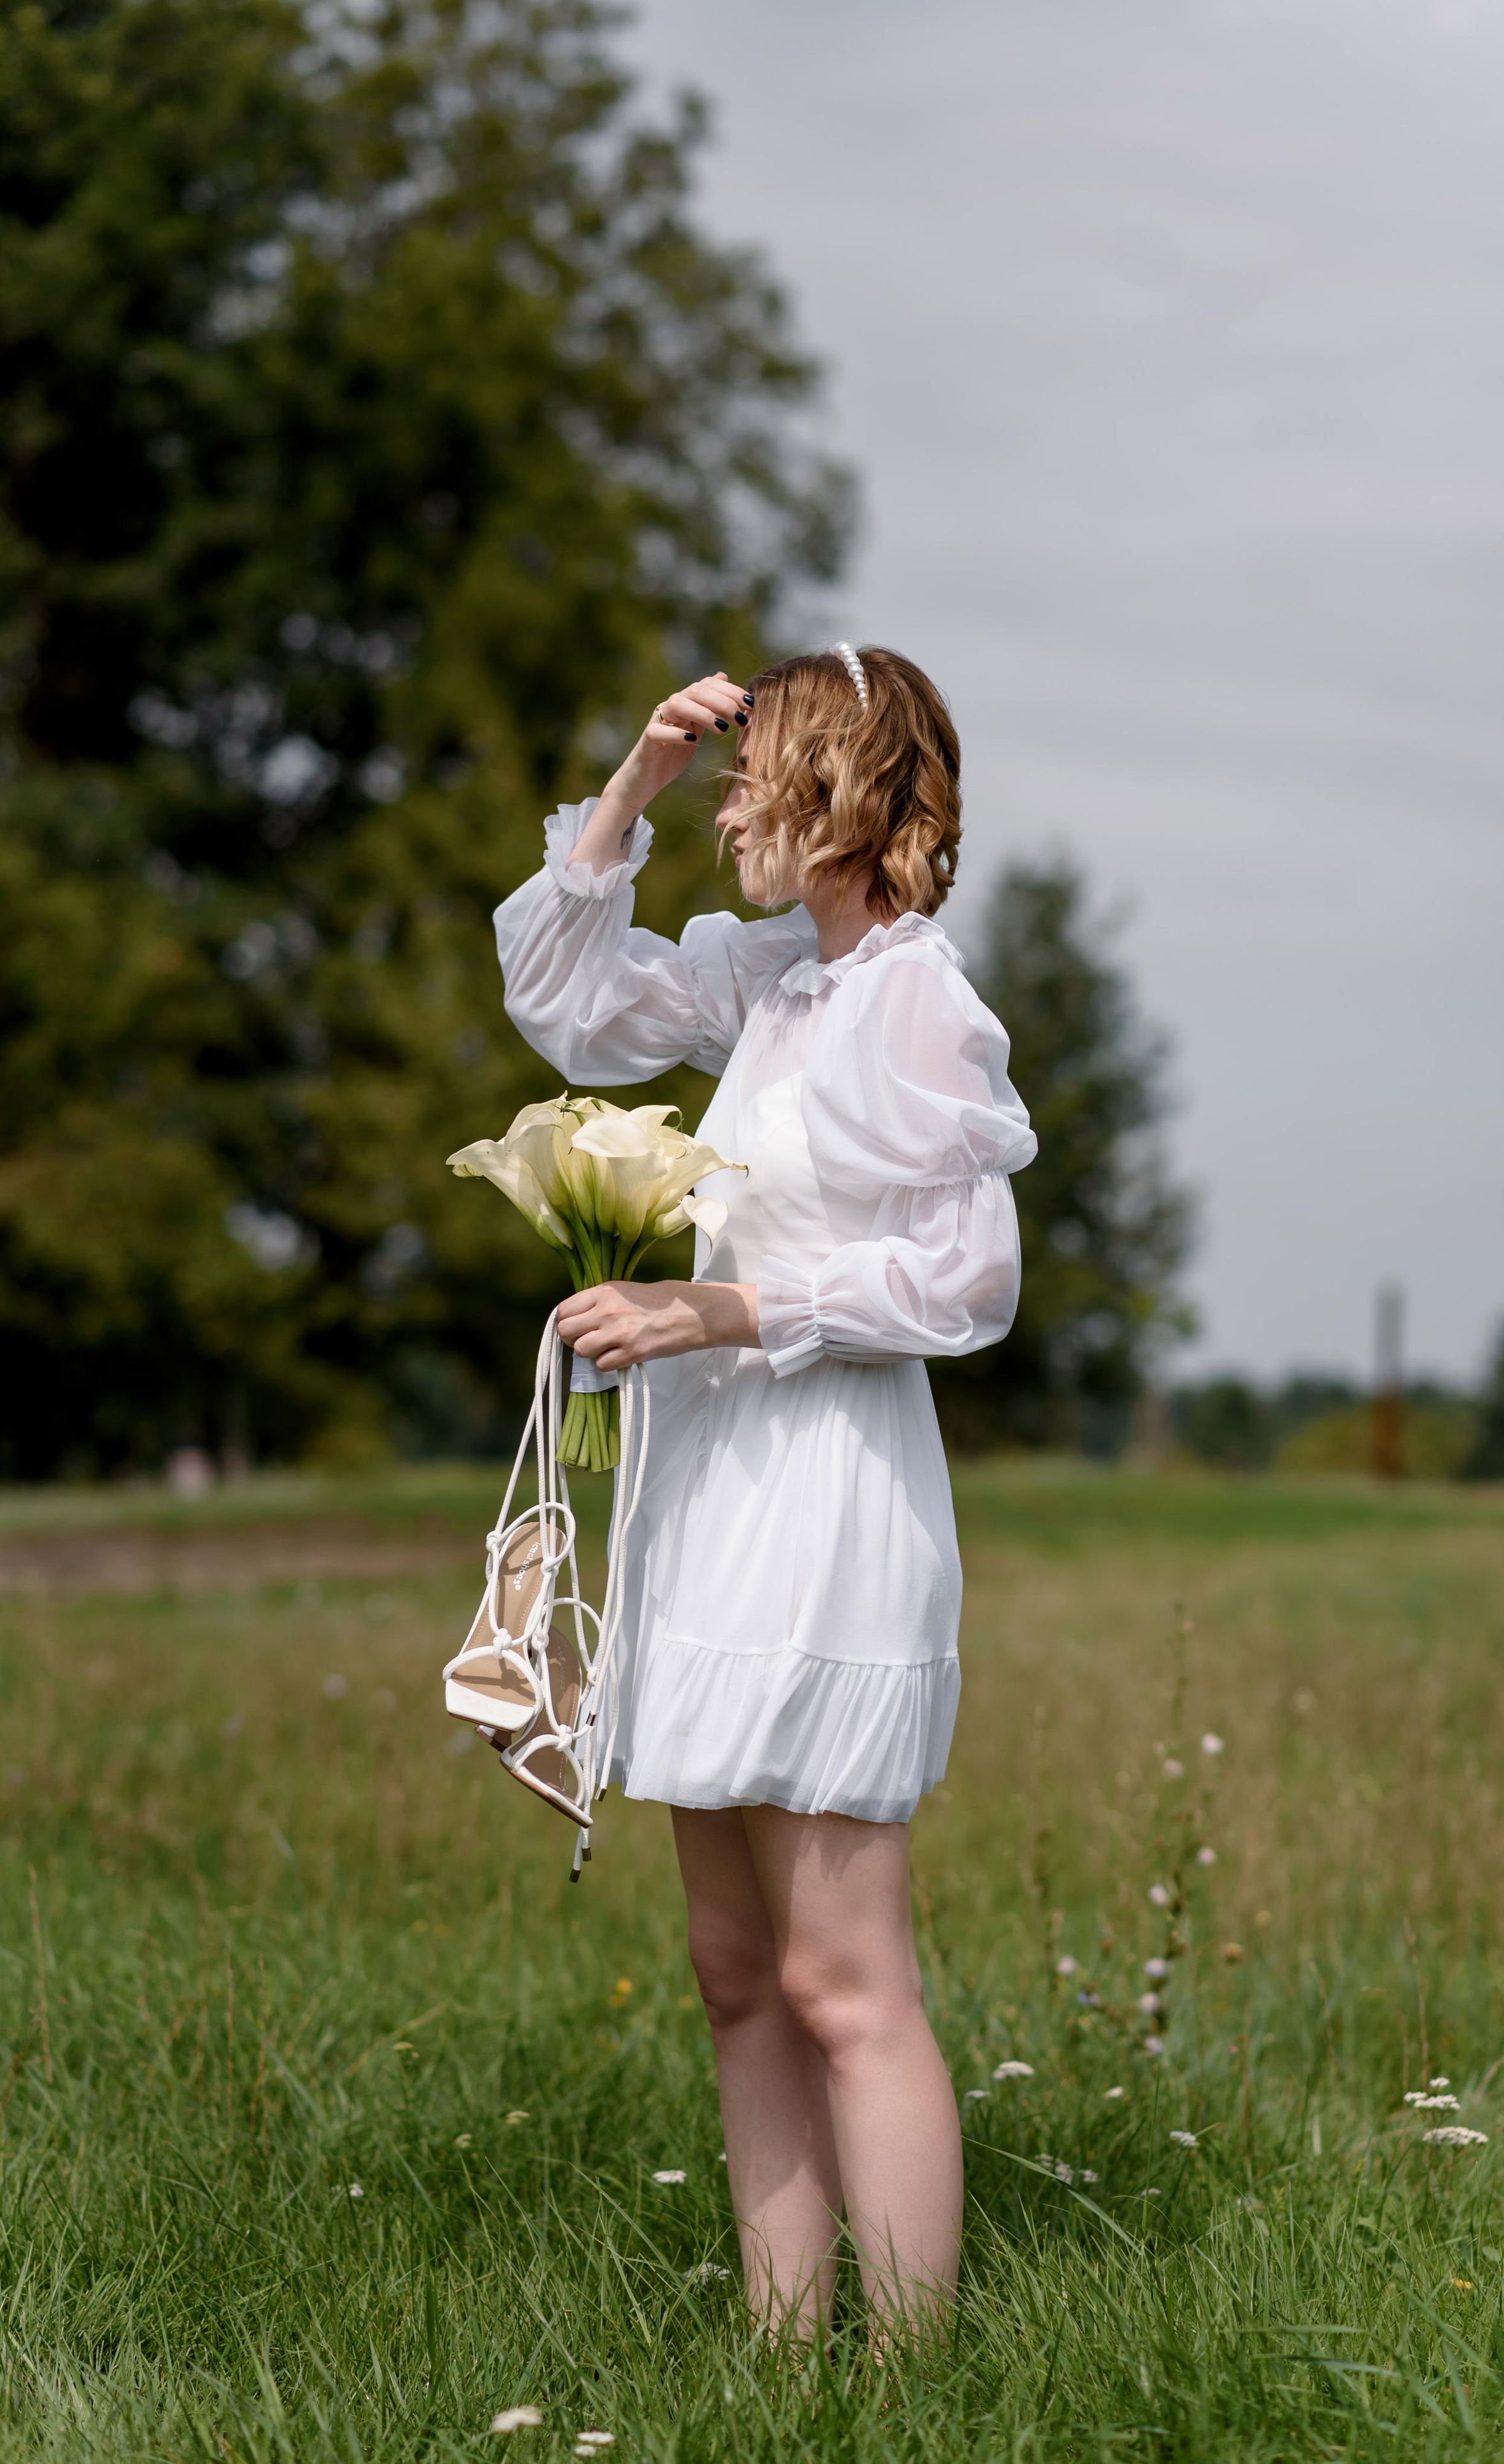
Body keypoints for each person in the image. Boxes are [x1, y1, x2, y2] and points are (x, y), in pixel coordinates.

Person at [492, 646, 1035, 2337]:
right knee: (738, 1972)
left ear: (844, 797)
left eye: (749, 777)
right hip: (710, 1496)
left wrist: (720, 1306)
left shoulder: (920, 1001)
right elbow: (568, 1000)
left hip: (833, 1504)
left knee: (840, 1974)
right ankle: (784, 2363)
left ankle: (911, 2382)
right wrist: (633, 783)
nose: (729, 806)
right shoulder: (775, 976)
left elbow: (970, 1280)